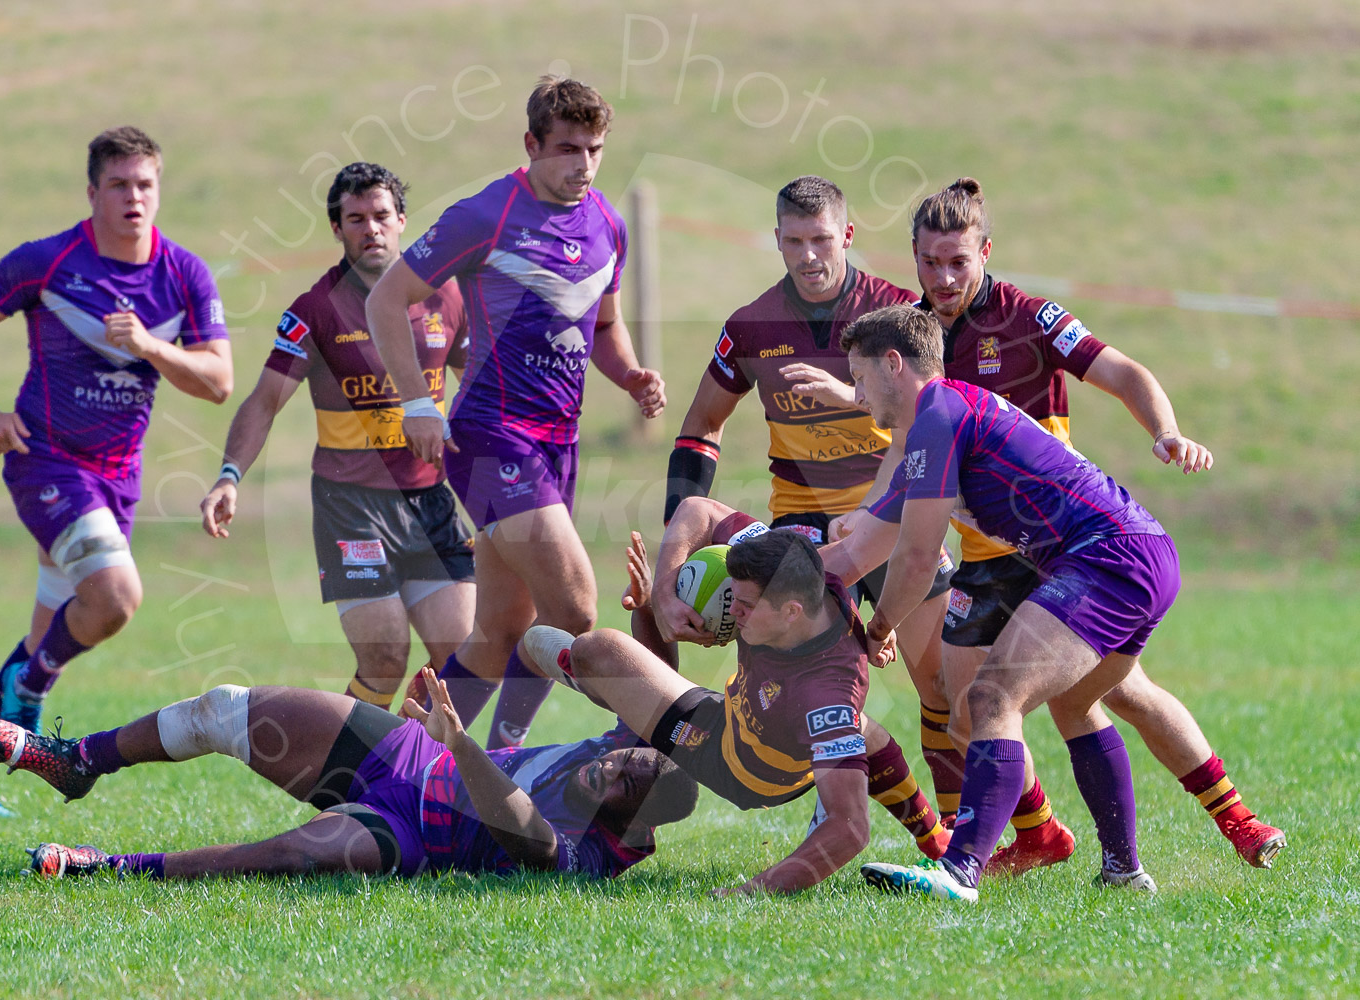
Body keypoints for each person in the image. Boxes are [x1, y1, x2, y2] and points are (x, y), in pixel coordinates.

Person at [897, 178, 1280, 873]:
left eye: (959, 261)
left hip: (1055, 550)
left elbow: (1124, 370)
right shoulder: (913, 337)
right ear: (914, 259)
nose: (945, 277)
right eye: (930, 262)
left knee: (1106, 694)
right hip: (984, 554)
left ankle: (1236, 820)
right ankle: (1044, 835)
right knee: (963, 713)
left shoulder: (1031, 317)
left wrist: (1165, 432)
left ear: (986, 252)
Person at [819, 304, 1175, 901]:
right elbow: (854, 555)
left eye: (858, 376)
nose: (856, 393)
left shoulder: (936, 415)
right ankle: (1124, 871)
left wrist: (877, 626)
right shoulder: (937, 425)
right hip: (1139, 553)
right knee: (1078, 704)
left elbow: (914, 558)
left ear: (893, 364)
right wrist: (753, 583)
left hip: (1108, 556)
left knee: (990, 696)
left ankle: (959, 873)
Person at [0, 127, 234, 817]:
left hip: (118, 478)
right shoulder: (50, 260)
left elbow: (219, 381)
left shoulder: (184, 274)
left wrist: (152, 346)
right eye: (119, 184)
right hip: (46, 461)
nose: (134, 197)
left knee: (50, 633)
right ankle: (32, 695)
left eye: (145, 184)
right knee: (115, 597)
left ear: (158, 190)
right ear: (92, 192)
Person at [365, 76, 664, 750]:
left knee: (500, 629)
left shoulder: (608, 223)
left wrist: (631, 375)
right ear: (531, 145)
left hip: (559, 443)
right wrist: (419, 401)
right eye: (566, 148)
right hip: (490, 435)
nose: (582, 164)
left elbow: (604, 326)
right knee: (578, 609)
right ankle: (511, 758)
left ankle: (415, 760)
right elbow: (386, 300)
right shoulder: (485, 214)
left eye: (594, 149)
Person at [663, 174, 962, 821]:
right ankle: (836, 812)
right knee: (815, 680)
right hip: (801, 528)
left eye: (821, 239)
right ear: (776, 240)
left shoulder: (898, 317)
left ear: (847, 236)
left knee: (939, 682)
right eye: (794, 241)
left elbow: (940, 420)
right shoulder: (750, 326)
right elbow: (700, 430)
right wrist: (678, 553)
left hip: (893, 519)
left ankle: (966, 832)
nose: (809, 255)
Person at [522, 524, 949, 895]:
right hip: (732, 713)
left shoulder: (827, 697)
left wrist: (751, 890)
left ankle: (583, 671)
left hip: (739, 765)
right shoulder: (791, 571)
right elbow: (699, 510)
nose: (734, 612)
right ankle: (938, 842)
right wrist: (664, 596)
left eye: (744, 606)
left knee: (602, 649)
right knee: (857, 730)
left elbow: (850, 829)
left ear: (790, 612)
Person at [0, 668, 698, 880]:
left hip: (413, 832)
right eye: (622, 759)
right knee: (224, 708)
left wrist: (464, 744)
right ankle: (80, 761)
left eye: (621, 786)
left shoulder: (598, 856)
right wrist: (653, 614)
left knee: (295, 854)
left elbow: (530, 838)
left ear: (629, 820)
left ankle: (112, 867)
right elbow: (649, 690)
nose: (609, 768)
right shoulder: (626, 753)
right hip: (408, 756)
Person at [199, 163, 474, 707]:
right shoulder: (316, 309)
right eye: (355, 219)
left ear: (400, 221)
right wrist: (229, 477)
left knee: (464, 658)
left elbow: (479, 378)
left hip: (431, 501)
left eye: (380, 216)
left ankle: (419, 779)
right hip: (350, 505)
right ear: (337, 229)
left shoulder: (445, 296)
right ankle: (349, 776)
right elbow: (264, 401)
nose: (370, 228)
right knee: (385, 658)